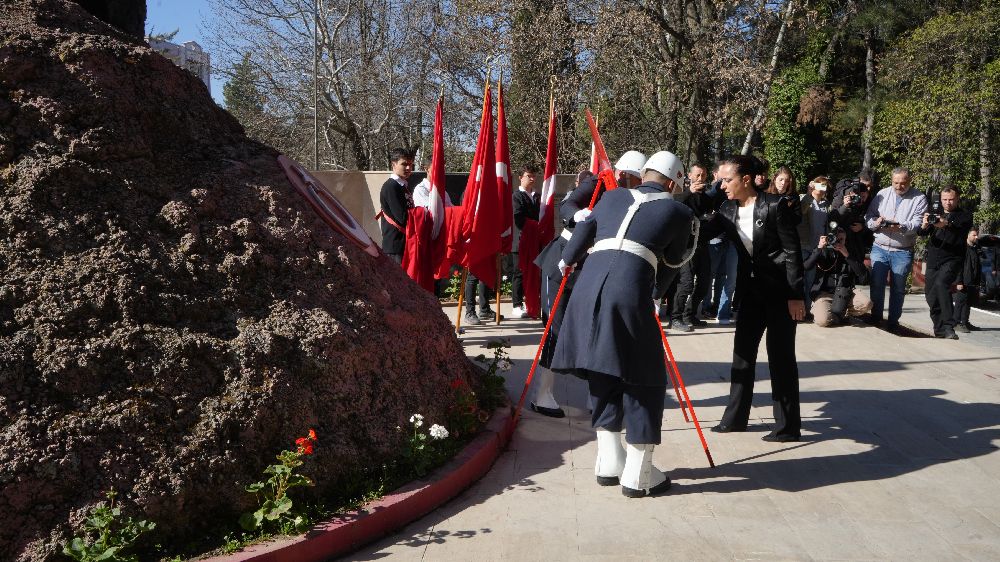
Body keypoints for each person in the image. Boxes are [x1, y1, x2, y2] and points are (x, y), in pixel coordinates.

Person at [551, 150, 693, 497]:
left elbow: (578, 240)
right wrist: (655, 296)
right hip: (629, 292)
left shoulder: (612, 196)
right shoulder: (680, 210)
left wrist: (567, 261)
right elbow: (674, 261)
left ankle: (609, 460)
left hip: (586, 290)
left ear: (644, 174)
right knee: (644, 376)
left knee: (603, 369)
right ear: (673, 183)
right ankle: (637, 474)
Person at [531, 151, 647, 419]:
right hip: (561, 262)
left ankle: (596, 394)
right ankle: (542, 393)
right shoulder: (597, 184)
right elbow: (567, 205)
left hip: (594, 268)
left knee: (592, 331)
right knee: (555, 329)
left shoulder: (636, 198)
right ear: (621, 174)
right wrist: (580, 215)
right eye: (631, 179)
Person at [706, 155, 806, 443]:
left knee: (781, 358)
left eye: (727, 180)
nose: (722, 185)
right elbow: (699, 231)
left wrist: (795, 296)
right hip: (750, 294)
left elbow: (792, 253)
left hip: (781, 295)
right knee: (742, 356)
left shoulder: (775, 206)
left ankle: (787, 427)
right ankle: (735, 419)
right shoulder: (726, 210)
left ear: (745, 180)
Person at [864, 167, 927, 333]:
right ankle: (876, 318)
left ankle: (893, 323)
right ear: (891, 181)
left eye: (903, 183)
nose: (899, 186)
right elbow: (869, 217)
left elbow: (918, 222)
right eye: (896, 182)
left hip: (903, 250)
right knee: (876, 285)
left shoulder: (919, 198)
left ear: (910, 181)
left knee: (898, 288)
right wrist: (876, 223)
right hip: (880, 247)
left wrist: (902, 226)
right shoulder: (882, 194)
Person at [918, 186, 973, 339]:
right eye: (944, 199)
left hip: (953, 258)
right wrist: (925, 224)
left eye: (951, 199)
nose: (947, 203)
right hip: (934, 258)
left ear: (957, 199)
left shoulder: (965, 215)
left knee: (942, 284)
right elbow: (921, 233)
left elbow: (958, 228)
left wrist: (945, 224)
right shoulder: (935, 213)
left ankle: (949, 326)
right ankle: (939, 328)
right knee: (931, 295)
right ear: (940, 199)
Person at [670, 163, 714, 332]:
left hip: (702, 243)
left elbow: (710, 214)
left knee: (704, 282)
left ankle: (690, 314)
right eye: (697, 175)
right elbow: (674, 204)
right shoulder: (681, 194)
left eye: (703, 175)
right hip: (685, 245)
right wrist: (689, 192)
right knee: (686, 283)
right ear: (689, 176)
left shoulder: (707, 198)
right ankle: (676, 317)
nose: (700, 178)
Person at [804, 227, 872, 326]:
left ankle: (838, 314)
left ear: (846, 240)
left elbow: (864, 276)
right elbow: (806, 266)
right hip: (825, 294)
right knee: (823, 321)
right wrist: (819, 248)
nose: (837, 242)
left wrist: (847, 254)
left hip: (845, 293)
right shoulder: (823, 251)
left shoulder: (849, 252)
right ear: (829, 238)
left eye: (841, 239)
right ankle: (834, 313)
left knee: (867, 303)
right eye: (835, 238)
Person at [509, 166, 541, 319]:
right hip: (520, 241)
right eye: (529, 176)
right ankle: (516, 304)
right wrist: (534, 224)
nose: (532, 179)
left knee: (534, 273)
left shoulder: (537, 196)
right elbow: (518, 218)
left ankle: (532, 303)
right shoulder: (517, 196)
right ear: (520, 177)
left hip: (535, 241)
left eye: (533, 176)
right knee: (519, 273)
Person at [798, 177, 832, 316]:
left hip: (817, 247)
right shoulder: (804, 199)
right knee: (800, 279)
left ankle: (805, 310)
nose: (823, 188)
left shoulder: (826, 204)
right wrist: (809, 192)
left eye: (826, 186)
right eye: (821, 185)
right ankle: (798, 310)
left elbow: (830, 223)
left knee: (810, 280)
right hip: (803, 244)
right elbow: (800, 213)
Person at [378, 147, 416, 264]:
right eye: (404, 164)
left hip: (403, 244)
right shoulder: (391, 186)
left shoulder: (402, 185)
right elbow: (402, 217)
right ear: (393, 164)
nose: (409, 168)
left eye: (410, 164)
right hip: (395, 247)